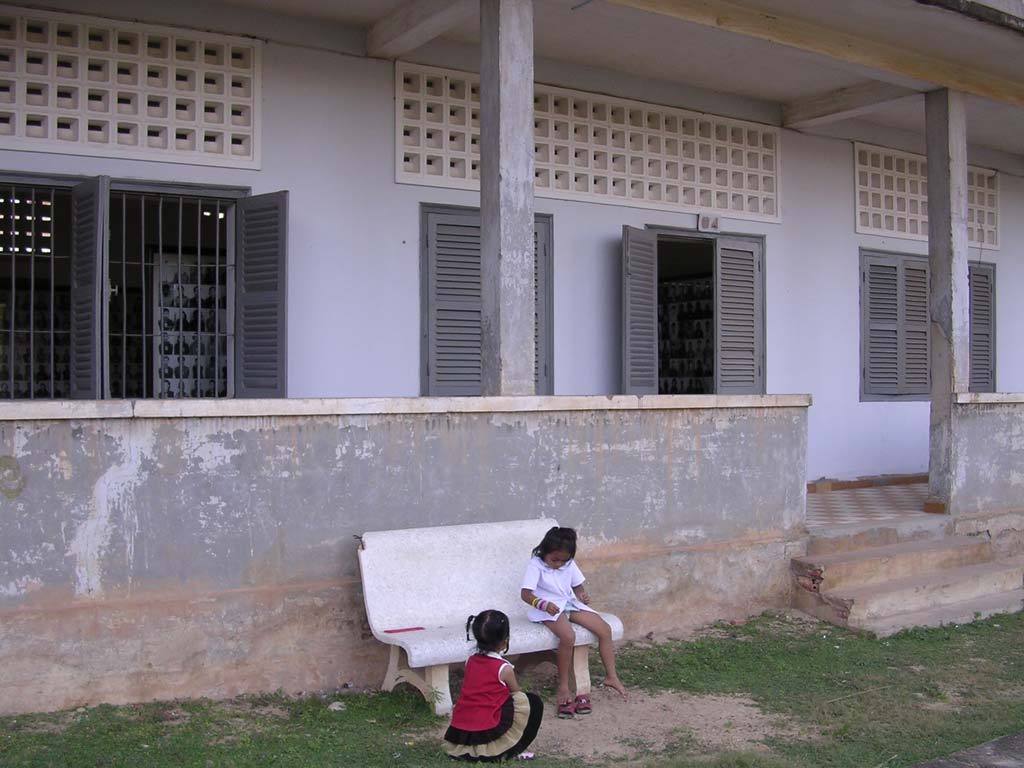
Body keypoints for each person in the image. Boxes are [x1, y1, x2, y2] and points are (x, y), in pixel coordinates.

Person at [521, 526, 626, 718]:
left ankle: (611, 676)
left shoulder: (567, 563)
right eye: (555, 560)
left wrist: (581, 595)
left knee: (604, 629)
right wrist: (542, 604)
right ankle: (563, 686)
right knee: (568, 637)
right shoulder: (535, 565)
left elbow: (577, 584)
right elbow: (526, 594)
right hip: (547, 608)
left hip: (568, 604)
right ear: (545, 551)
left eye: (563, 560)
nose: (559, 564)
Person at [443, 610, 543, 762]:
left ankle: (471, 751)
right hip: (488, 726)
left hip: (461, 728)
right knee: (532, 702)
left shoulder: (470, 661)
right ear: (504, 641)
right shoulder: (504, 668)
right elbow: (517, 694)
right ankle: (512, 749)